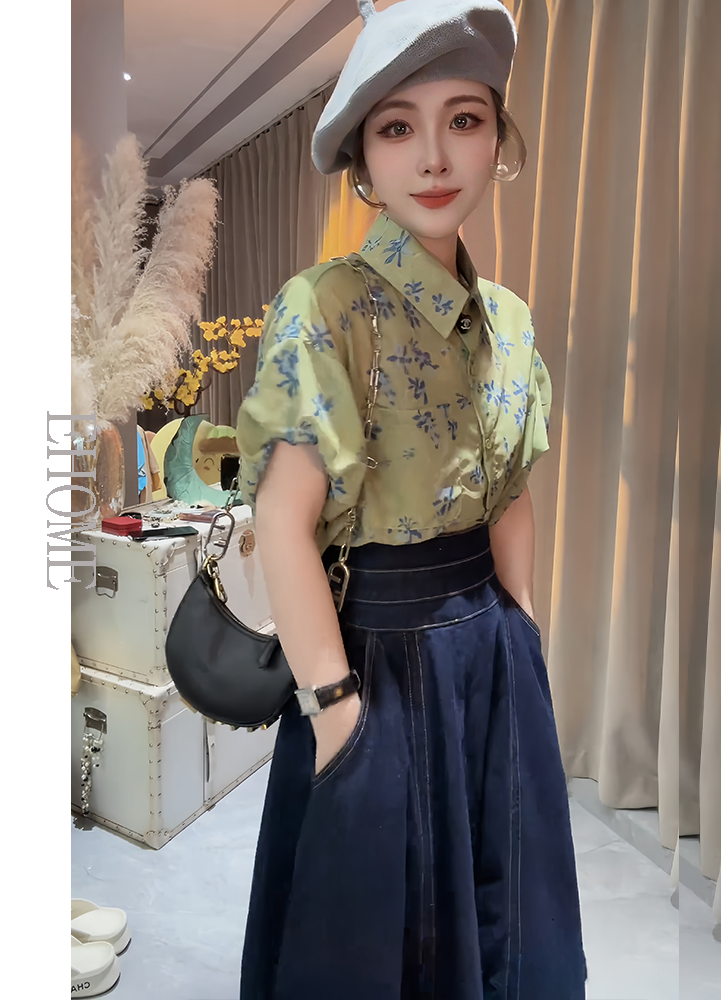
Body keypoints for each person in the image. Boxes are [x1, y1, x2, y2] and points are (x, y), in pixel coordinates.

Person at [234, 2, 588, 997]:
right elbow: (282, 519)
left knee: (512, 925)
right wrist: (336, 714)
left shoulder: (509, 319)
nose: (433, 156)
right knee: (372, 943)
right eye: (397, 127)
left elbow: (510, 492)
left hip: (493, 657)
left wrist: (526, 634)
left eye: (464, 119)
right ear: (363, 160)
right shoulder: (325, 305)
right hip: (373, 663)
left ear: (497, 139)